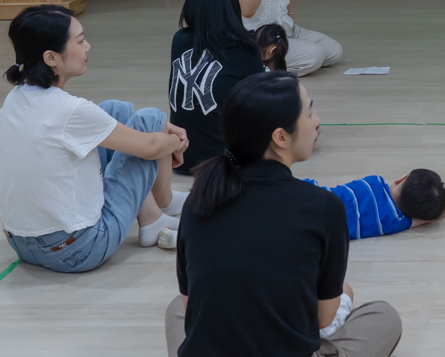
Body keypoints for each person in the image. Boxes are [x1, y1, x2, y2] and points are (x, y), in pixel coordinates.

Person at [165, 71, 403, 356]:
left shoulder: (199, 200)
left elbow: (189, 303)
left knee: (177, 310)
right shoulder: (324, 206)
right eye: (310, 112)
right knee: (383, 316)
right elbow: (323, 318)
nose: (317, 121)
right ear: (280, 137)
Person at [0, 6, 189, 273]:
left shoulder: (15, 98)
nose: (88, 46)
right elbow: (151, 148)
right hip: (79, 250)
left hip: (22, 244)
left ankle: (152, 215)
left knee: (115, 110)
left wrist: (165, 135)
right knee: (151, 119)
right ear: (51, 57)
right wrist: (174, 141)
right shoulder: (69, 110)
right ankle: (162, 204)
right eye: (80, 41)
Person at [169, 0, 266, 174]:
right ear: (231, 9)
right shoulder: (244, 47)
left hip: (182, 157)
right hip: (224, 163)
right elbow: (260, 104)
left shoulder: (180, 40)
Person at [304, 169, 445, 240]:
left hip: (312, 195)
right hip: (317, 230)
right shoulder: (394, 222)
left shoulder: (372, 182)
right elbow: (430, 218)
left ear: (401, 179)